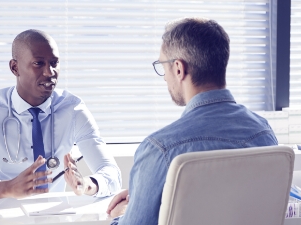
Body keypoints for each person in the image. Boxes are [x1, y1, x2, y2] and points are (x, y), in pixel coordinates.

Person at [106, 17, 278, 224]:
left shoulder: (159, 149)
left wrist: (124, 213)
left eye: (163, 67)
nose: (164, 78)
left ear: (179, 69)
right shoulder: (263, 133)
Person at [0, 29, 122, 204]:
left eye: (54, 63)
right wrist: (6, 188)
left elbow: (112, 174)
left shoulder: (73, 109)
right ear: (15, 67)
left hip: (54, 218)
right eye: (39, 63)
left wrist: (87, 185)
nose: (50, 72)